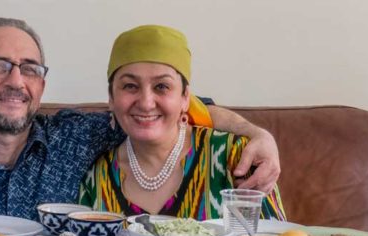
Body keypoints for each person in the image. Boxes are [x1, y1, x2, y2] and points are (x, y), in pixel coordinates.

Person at [0, 18, 281, 222]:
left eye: (30, 68)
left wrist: (255, 132)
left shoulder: (74, 138)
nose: (16, 81)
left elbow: (169, 111)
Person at [79, 25, 285, 220]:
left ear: (185, 97)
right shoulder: (96, 178)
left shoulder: (237, 157)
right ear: (111, 98)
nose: (146, 103)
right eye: (130, 86)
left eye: (161, 86)